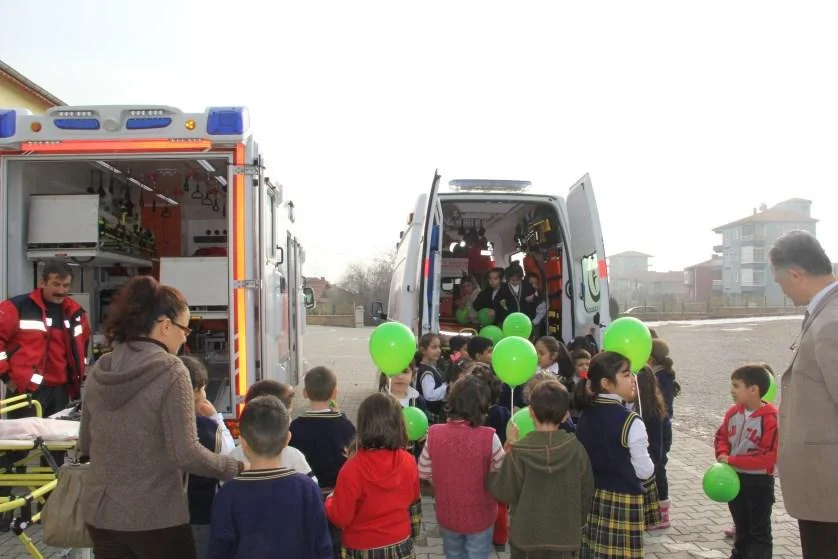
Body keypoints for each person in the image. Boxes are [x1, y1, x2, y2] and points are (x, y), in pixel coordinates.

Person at [79, 276, 242, 559]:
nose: (185, 336)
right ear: (165, 325)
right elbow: (186, 453)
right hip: (154, 518)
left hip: (101, 514)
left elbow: (86, 442)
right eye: (185, 328)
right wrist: (236, 467)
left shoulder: (101, 367)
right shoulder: (171, 370)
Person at [769, 230, 838, 558]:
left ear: (795, 274)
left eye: (780, 282)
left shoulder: (831, 323)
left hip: (829, 492)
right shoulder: (824, 313)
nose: (781, 290)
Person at [209, 395, 333, 558]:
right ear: (287, 439)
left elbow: (219, 551)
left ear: (243, 442)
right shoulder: (307, 488)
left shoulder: (228, 494)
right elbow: (322, 547)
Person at [490, 380, 595, 558]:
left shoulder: (519, 451)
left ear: (530, 412)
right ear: (565, 416)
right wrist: (578, 520)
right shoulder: (576, 448)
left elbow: (505, 492)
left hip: (526, 536)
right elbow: (586, 490)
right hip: (564, 536)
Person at [575, 351, 655, 558]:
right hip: (624, 501)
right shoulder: (631, 421)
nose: (633, 380)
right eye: (627, 375)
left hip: (593, 496)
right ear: (606, 383)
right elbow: (644, 471)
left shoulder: (585, 414)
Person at [326, 393, 422, 558]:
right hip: (400, 546)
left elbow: (340, 517)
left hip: (361, 549)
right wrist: (412, 534)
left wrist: (329, 500)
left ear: (363, 426)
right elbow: (414, 502)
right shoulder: (408, 460)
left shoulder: (351, 469)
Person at [418, 375, 505, 558]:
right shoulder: (489, 437)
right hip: (481, 515)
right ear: (483, 405)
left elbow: (423, 470)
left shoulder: (434, 433)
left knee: (453, 554)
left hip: (448, 513)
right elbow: (502, 470)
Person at [0, 261, 90, 416]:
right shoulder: (16, 307)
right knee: (26, 438)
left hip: (62, 391)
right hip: (25, 391)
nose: (61, 291)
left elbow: (83, 346)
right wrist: (7, 378)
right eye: (56, 284)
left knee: (59, 439)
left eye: (66, 286)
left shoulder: (75, 313)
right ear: (42, 282)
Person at [714, 365, 779, 559]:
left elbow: (769, 456)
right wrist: (722, 454)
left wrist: (733, 459)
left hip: (759, 483)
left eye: (736, 386)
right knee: (741, 527)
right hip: (734, 479)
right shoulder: (733, 413)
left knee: (759, 532)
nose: (732, 390)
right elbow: (721, 437)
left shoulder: (771, 419)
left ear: (754, 390)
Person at [182, 355, 236, 558]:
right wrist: (217, 419)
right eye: (203, 388)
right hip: (201, 514)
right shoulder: (207, 428)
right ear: (195, 391)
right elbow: (229, 455)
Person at [229, 380, 315, 479]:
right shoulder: (293, 456)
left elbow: (223, 487)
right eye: (288, 415)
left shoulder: (233, 457)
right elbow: (312, 488)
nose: (291, 420)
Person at [647, 339, 680, 528]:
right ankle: (659, 511)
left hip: (659, 428)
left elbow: (661, 407)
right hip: (662, 426)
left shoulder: (658, 377)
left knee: (658, 466)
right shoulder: (663, 374)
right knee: (659, 465)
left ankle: (662, 513)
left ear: (650, 357)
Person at [631, 367, 669, 530]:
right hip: (649, 455)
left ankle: (662, 514)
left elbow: (659, 441)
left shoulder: (652, 410)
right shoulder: (636, 405)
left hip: (653, 456)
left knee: (658, 480)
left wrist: (654, 460)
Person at [415, 333, 447, 424]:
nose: (438, 350)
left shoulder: (433, 368)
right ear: (423, 350)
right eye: (434, 347)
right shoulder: (426, 371)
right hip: (430, 414)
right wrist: (447, 386)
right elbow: (429, 395)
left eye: (439, 347)